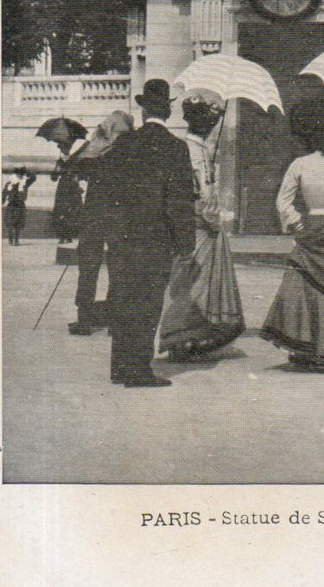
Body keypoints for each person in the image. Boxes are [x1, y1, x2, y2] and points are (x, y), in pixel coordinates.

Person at [100, 79, 196, 388]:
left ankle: (119, 367)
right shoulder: (176, 148)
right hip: (155, 238)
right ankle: (138, 370)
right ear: (167, 113)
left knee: (124, 297)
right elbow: (179, 201)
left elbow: (108, 191)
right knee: (148, 302)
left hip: (122, 236)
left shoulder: (123, 144)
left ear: (143, 113)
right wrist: (185, 242)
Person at [260, 99, 324, 374]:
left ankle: (305, 346)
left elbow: (283, 202)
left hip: (311, 225)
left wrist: (296, 224)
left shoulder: (299, 164)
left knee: (306, 286)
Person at [154, 97, 245, 359]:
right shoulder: (194, 150)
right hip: (199, 223)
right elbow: (203, 193)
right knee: (194, 279)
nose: (212, 125)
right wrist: (215, 221)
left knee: (195, 278)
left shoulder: (196, 148)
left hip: (196, 221)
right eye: (210, 121)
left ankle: (192, 334)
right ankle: (180, 336)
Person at [65, 110, 134, 336]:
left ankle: (84, 320)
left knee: (88, 268)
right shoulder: (131, 153)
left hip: (93, 217)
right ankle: (115, 323)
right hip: (119, 217)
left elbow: (77, 171)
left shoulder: (95, 150)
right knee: (118, 269)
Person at [50, 136, 84, 244]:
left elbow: (80, 173)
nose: (64, 150)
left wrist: (76, 176)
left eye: (66, 148)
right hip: (62, 188)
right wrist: (56, 170)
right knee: (61, 211)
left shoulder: (74, 160)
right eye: (62, 148)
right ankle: (61, 235)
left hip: (73, 188)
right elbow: (53, 178)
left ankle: (69, 235)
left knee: (72, 211)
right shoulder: (59, 161)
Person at [2, 168, 36, 246]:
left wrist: (26, 171)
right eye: (18, 174)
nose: (20, 176)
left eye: (21, 174)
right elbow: (4, 192)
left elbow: (33, 178)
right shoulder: (10, 183)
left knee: (18, 224)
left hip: (20, 204)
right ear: (15, 175)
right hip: (12, 204)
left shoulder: (24, 183)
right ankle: (11, 239)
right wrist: (2, 201)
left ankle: (16, 240)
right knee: (11, 223)